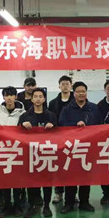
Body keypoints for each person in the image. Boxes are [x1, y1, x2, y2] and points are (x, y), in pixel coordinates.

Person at [59, 81, 103, 214]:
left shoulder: (94, 108)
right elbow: (61, 124)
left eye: (83, 91)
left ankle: (84, 202)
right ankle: (69, 203)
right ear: (74, 93)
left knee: (86, 175)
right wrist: (75, 124)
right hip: (71, 147)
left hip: (88, 147)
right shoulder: (67, 109)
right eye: (78, 91)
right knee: (70, 176)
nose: (81, 94)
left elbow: (100, 125)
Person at [19, 88, 58, 218]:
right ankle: (32, 206)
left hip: (47, 153)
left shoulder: (51, 115)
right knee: (31, 181)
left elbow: (60, 134)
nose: (38, 99)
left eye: (40, 96)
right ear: (31, 99)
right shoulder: (25, 116)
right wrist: (22, 125)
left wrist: (53, 126)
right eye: (35, 96)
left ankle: (46, 206)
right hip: (31, 153)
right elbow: (16, 134)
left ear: (44, 99)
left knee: (47, 181)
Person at [0, 86, 27, 218]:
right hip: (2, 149)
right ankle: (6, 205)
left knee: (18, 180)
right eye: (6, 95)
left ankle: (18, 205)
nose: (9, 98)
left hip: (18, 149)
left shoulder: (23, 113)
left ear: (16, 97)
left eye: (11, 95)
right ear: (3, 97)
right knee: (4, 180)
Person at [48, 75, 74, 204]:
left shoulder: (76, 100)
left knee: (72, 166)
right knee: (58, 166)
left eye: (67, 84)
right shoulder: (53, 103)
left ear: (71, 86)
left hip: (74, 138)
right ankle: (58, 193)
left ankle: (73, 193)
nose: (65, 86)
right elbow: (50, 118)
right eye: (63, 84)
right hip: (57, 138)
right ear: (59, 86)